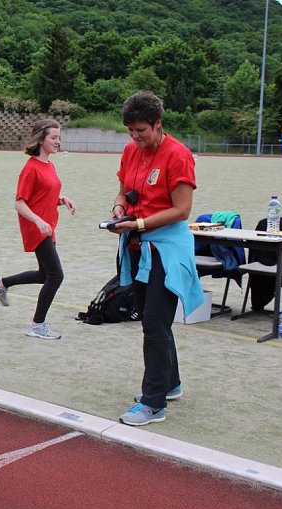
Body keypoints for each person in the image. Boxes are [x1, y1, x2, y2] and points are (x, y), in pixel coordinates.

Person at [106, 90, 202, 427]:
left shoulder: (178, 155)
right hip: (137, 244)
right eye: (130, 131)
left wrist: (140, 223)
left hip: (166, 248)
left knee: (154, 324)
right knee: (153, 320)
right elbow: (123, 190)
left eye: (141, 130)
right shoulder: (131, 151)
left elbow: (182, 210)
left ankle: (153, 403)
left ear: (158, 124)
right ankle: (170, 384)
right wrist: (119, 209)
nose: (135, 137)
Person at [0, 119, 76, 340]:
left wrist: (62, 199)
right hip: (37, 227)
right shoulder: (30, 168)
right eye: (53, 137)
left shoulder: (50, 165)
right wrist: (37, 221)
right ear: (41, 139)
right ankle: (37, 324)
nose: (58, 141)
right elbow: (20, 202)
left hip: (48, 225)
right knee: (56, 276)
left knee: (44, 274)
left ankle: (1, 283)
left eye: (59, 137)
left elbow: (44, 196)